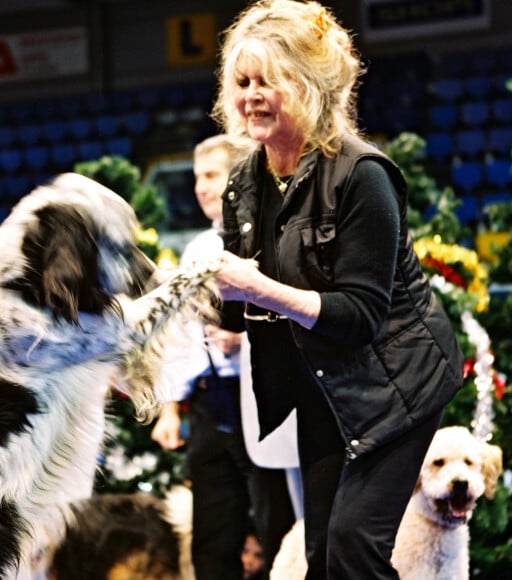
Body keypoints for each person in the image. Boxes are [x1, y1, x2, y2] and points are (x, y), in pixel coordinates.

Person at [211, 1, 465, 578]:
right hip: (323, 388)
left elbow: (359, 316)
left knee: (354, 546)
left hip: (396, 384)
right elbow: (234, 312)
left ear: (306, 86)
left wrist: (259, 288)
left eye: (267, 81)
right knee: (323, 556)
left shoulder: (363, 175)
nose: (250, 95)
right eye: (242, 81)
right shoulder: (245, 183)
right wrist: (179, 295)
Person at [151, 134, 298, 580]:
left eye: (211, 175)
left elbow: (296, 314)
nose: (201, 186)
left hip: (262, 395)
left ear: (238, 177)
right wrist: (170, 408)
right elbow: (180, 336)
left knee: (278, 526)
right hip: (209, 401)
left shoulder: (278, 235)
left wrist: (247, 340)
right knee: (213, 532)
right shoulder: (197, 250)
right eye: (197, 177)